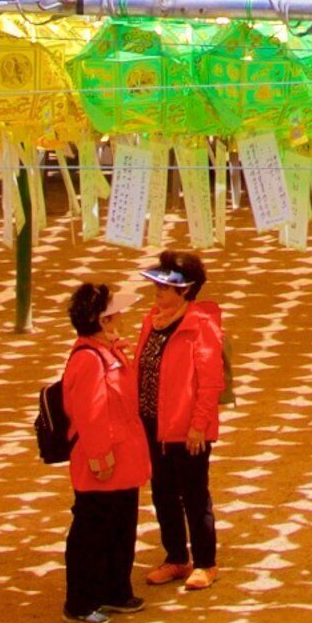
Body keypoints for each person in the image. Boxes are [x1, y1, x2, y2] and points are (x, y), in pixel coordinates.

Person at [133, 249, 231, 587]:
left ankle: (206, 561)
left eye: (164, 287)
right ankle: (176, 557)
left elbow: (210, 383)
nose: (157, 291)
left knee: (194, 495)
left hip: (187, 430)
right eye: (157, 286)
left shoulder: (200, 327)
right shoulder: (152, 320)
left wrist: (198, 427)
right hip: (152, 425)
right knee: (162, 493)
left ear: (185, 290)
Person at [58, 280, 149, 623]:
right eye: (114, 315)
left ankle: (115, 590)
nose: (120, 318)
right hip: (104, 459)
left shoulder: (107, 352)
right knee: (92, 530)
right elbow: (90, 412)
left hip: (124, 456)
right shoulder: (88, 360)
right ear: (101, 321)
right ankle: (80, 601)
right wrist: (100, 457)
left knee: (121, 526)